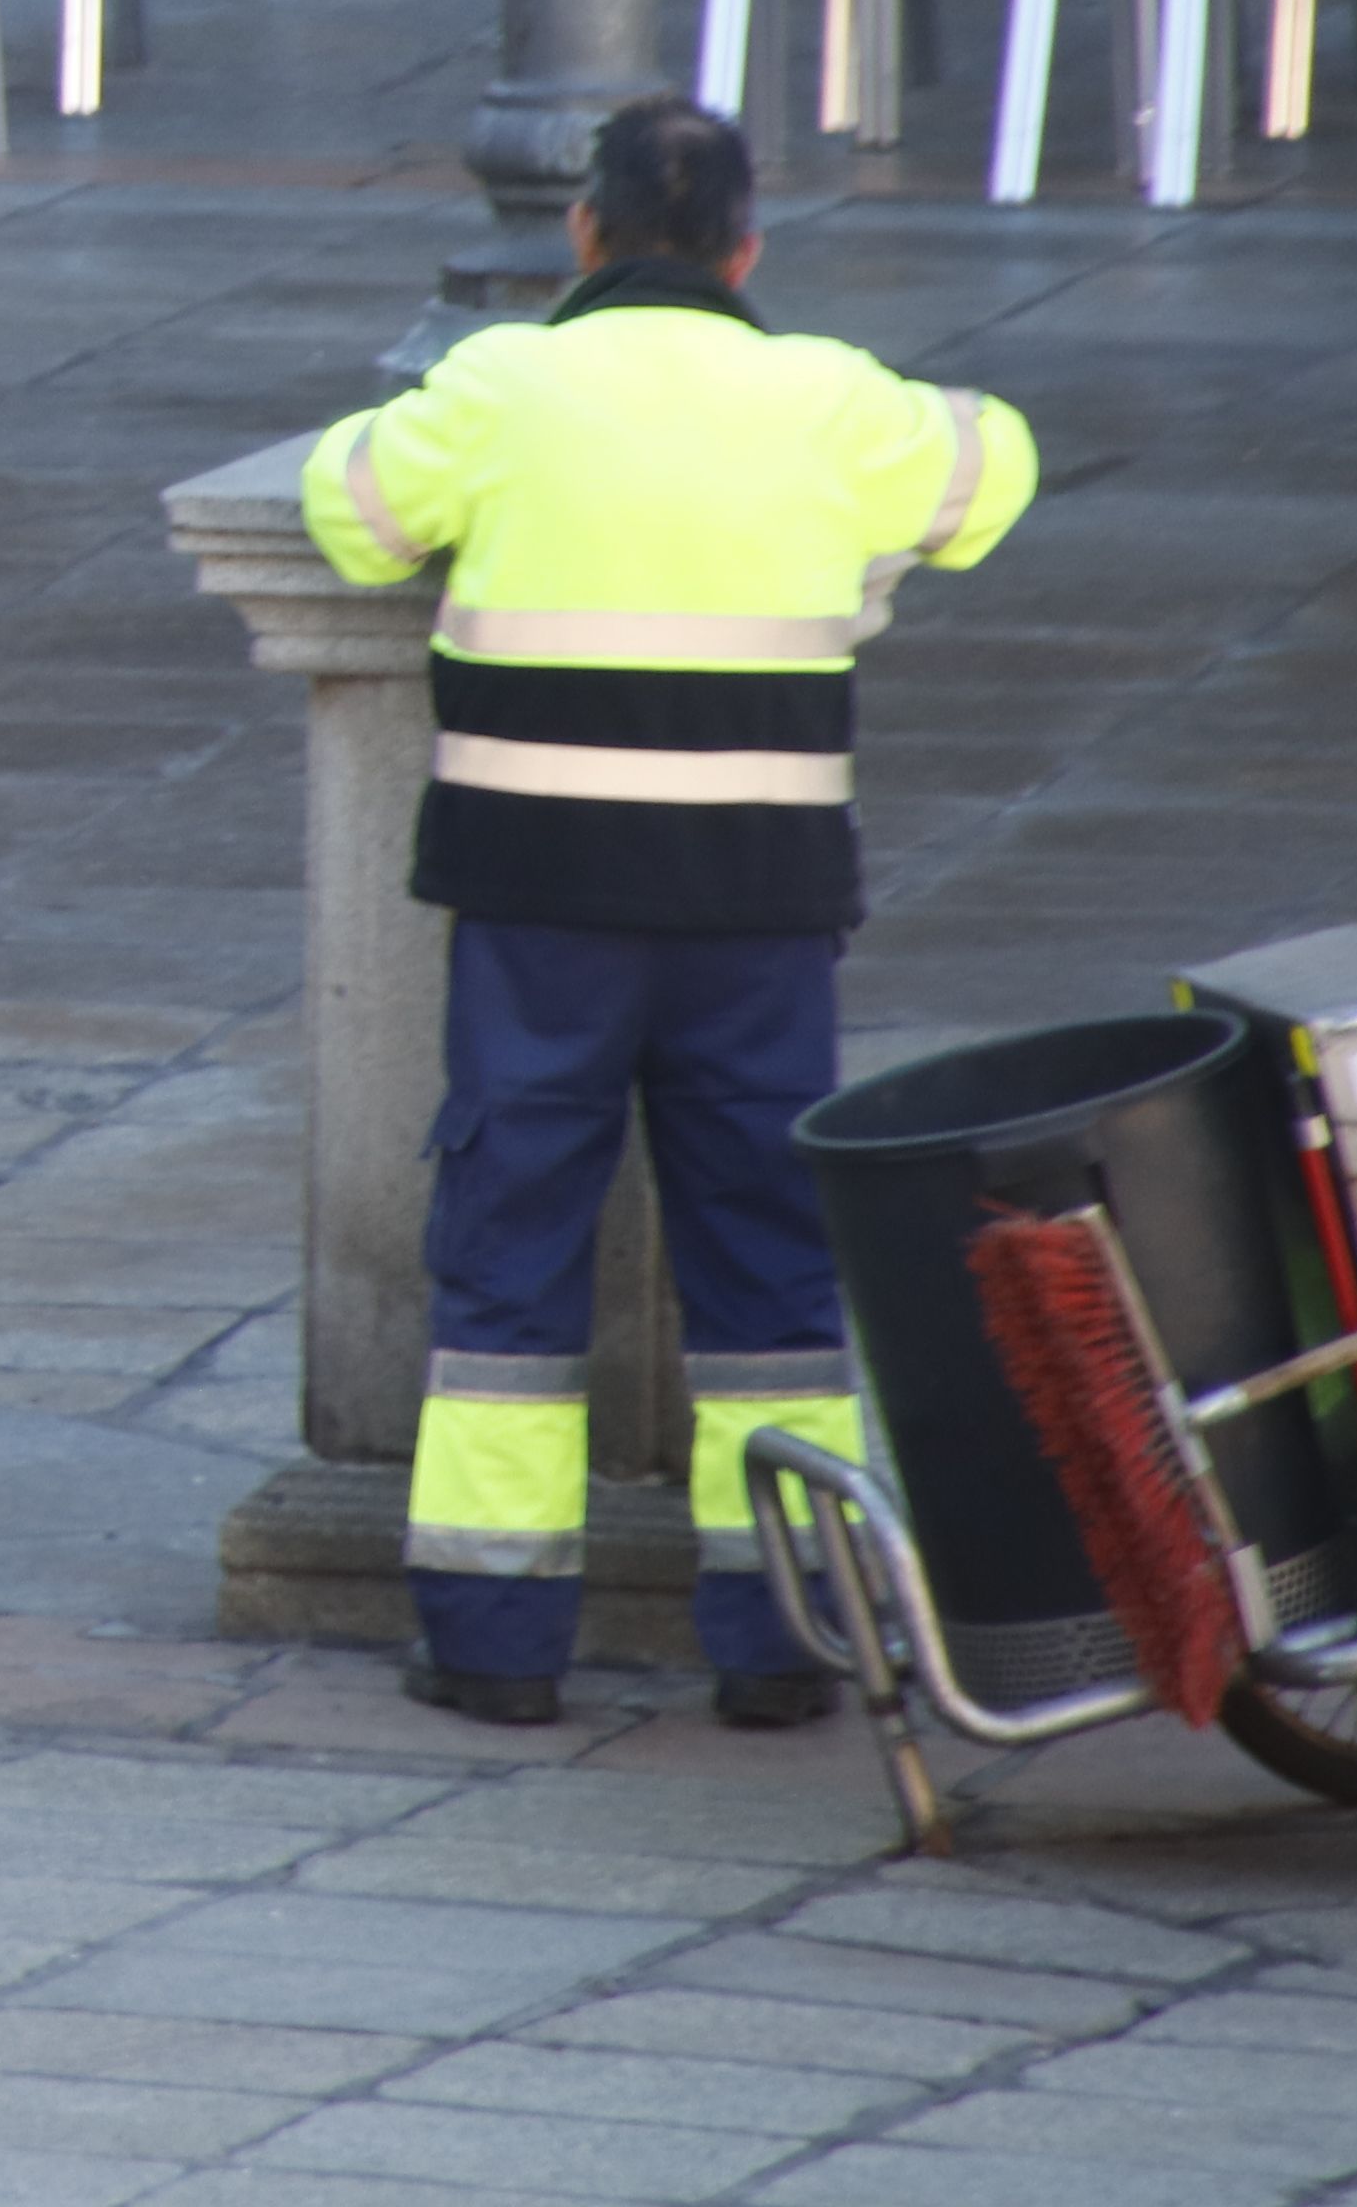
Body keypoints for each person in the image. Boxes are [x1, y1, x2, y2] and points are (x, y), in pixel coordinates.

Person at [304, 98, 1035, 1729]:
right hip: (756, 909)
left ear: (583, 234)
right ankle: (785, 1639)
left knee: (507, 1256)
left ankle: (495, 1643)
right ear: (749, 250)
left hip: (536, 905)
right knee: (771, 1269)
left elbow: (344, 510)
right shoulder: (824, 396)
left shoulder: (503, 385)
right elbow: (994, 470)